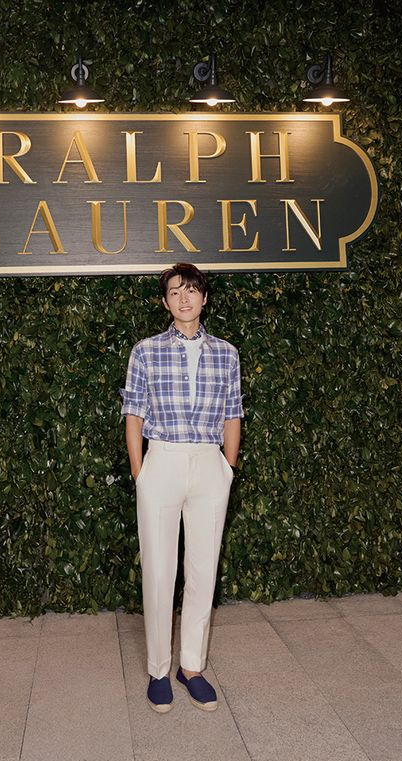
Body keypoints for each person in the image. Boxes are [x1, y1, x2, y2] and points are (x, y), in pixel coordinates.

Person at [120, 262, 243, 713]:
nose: (184, 298)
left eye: (191, 290)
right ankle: (158, 669)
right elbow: (133, 414)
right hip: (163, 460)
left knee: (203, 569)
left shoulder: (227, 353)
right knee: (159, 570)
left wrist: (227, 468)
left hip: (209, 463)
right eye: (175, 291)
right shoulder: (146, 351)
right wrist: (141, 472)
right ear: (165, 301)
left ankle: (191, 666)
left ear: (204, 298)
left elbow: (233, 413)